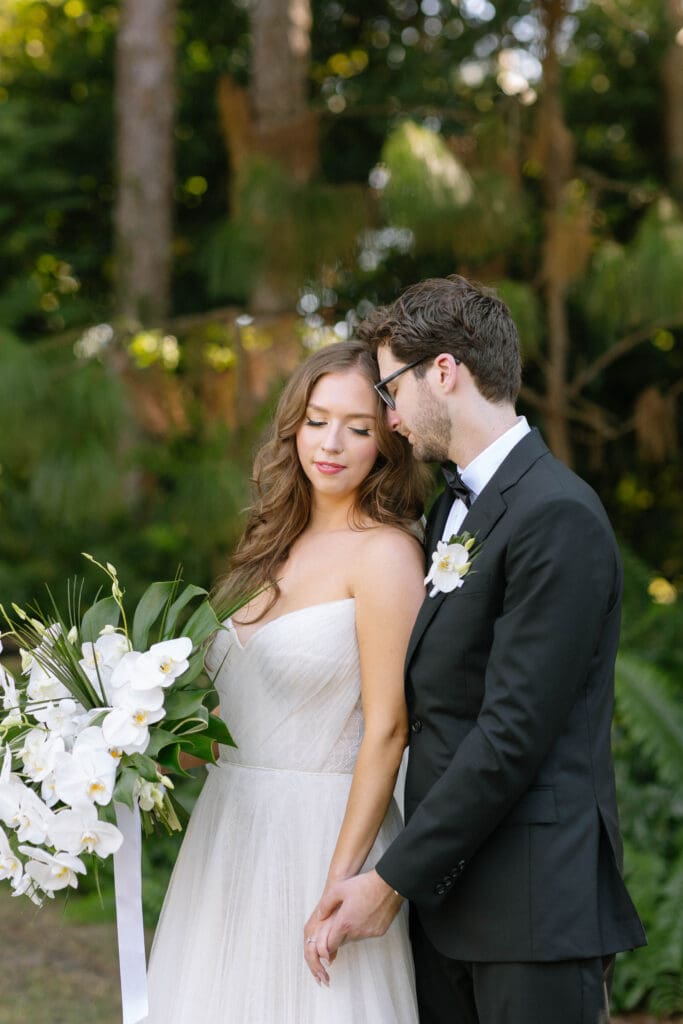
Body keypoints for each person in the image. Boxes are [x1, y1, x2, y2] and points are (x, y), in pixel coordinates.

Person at [310, 276, 647, 1024]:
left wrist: (387, 880)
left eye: (391, 389)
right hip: (452, 905)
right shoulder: (449, 514)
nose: (389, 418)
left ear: (443, 371)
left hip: (533, 911)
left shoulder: (557, 516)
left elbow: (510, 736)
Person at [144, 340, 431, 1023]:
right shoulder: (265, 545)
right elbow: (222, 725)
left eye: (357, 428)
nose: (330, 443)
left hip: (321, 835)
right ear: (292, 426)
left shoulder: (387, 555)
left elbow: (388, 730)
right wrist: (121, 747)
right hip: (225, 830)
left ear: (387, 443)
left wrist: (340, 878)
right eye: (315, 419)